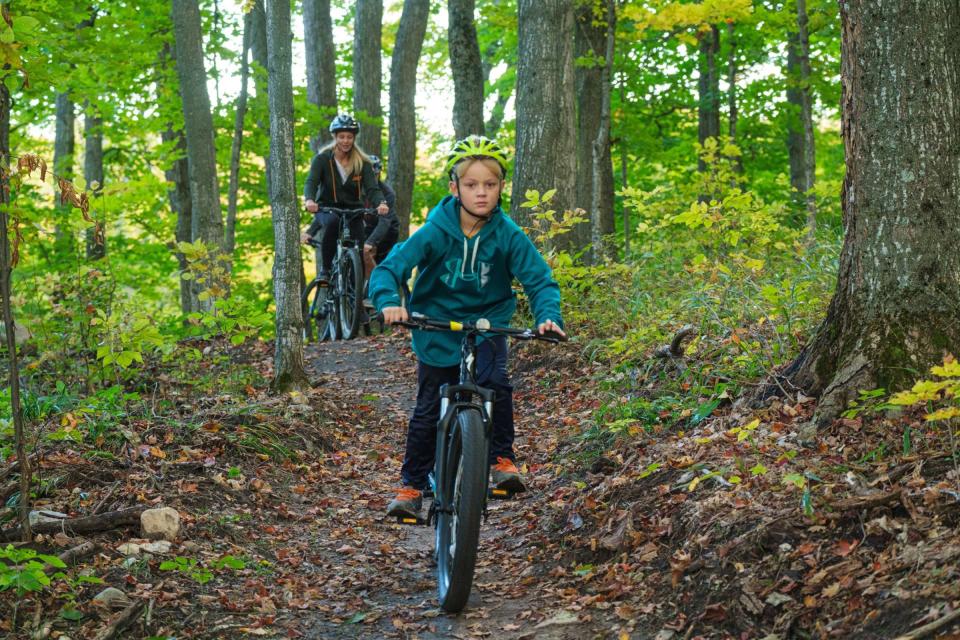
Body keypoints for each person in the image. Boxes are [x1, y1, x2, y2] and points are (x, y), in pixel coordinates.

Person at [369, 135, 566, 519]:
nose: (481, 193)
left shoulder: (508, 234)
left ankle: (501, 461)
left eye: (490, 185)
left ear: (501, 188)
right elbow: (391, 266)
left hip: (488, 325)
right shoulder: (435, 231)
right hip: (436, 326)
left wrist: (548, 317)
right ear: (454, 187)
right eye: (472, 185)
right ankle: (411, 485)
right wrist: (390, 302)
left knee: (497, 383)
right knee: (428, 406)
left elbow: (540, 280)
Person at [300, 114, 388, 283]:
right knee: (333, 222)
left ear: (354, 138)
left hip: (353, 210)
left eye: (349, 137)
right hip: (326, 208)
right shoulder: (323, 159)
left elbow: (372, 189)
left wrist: (381, 203)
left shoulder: (362, 162)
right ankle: (325, 271)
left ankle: (354, 299)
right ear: (335, 137)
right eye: (342, 137)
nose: (345, 141)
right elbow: (311, 182)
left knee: (360, 248)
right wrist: (310, 200)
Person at [362, 156, 400, 292]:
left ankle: (375, 291)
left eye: (375, 175)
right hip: (368, 228)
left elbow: (385, 221)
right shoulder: (356, 191)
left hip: (387, 231)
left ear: (379, 174)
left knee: (367, 253)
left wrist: (371, 242)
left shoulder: (387, 193)